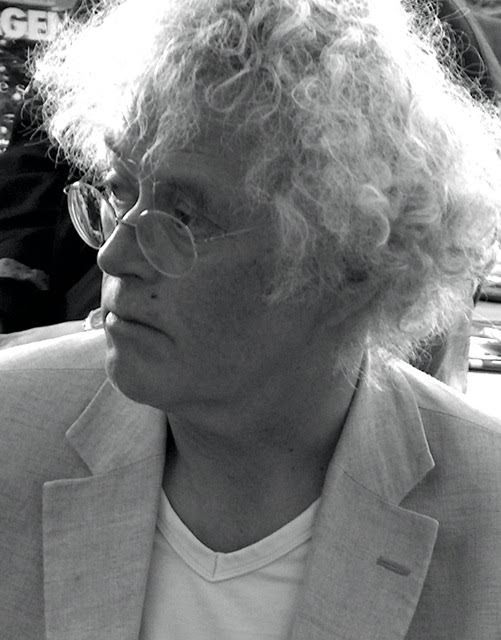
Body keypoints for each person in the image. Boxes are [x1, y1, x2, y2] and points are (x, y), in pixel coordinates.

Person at [1, 1, 501, 639]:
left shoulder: (486, 516)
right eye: (121, 191)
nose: (113, 254)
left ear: (352, 265)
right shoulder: (11, 430)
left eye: (184, 218)